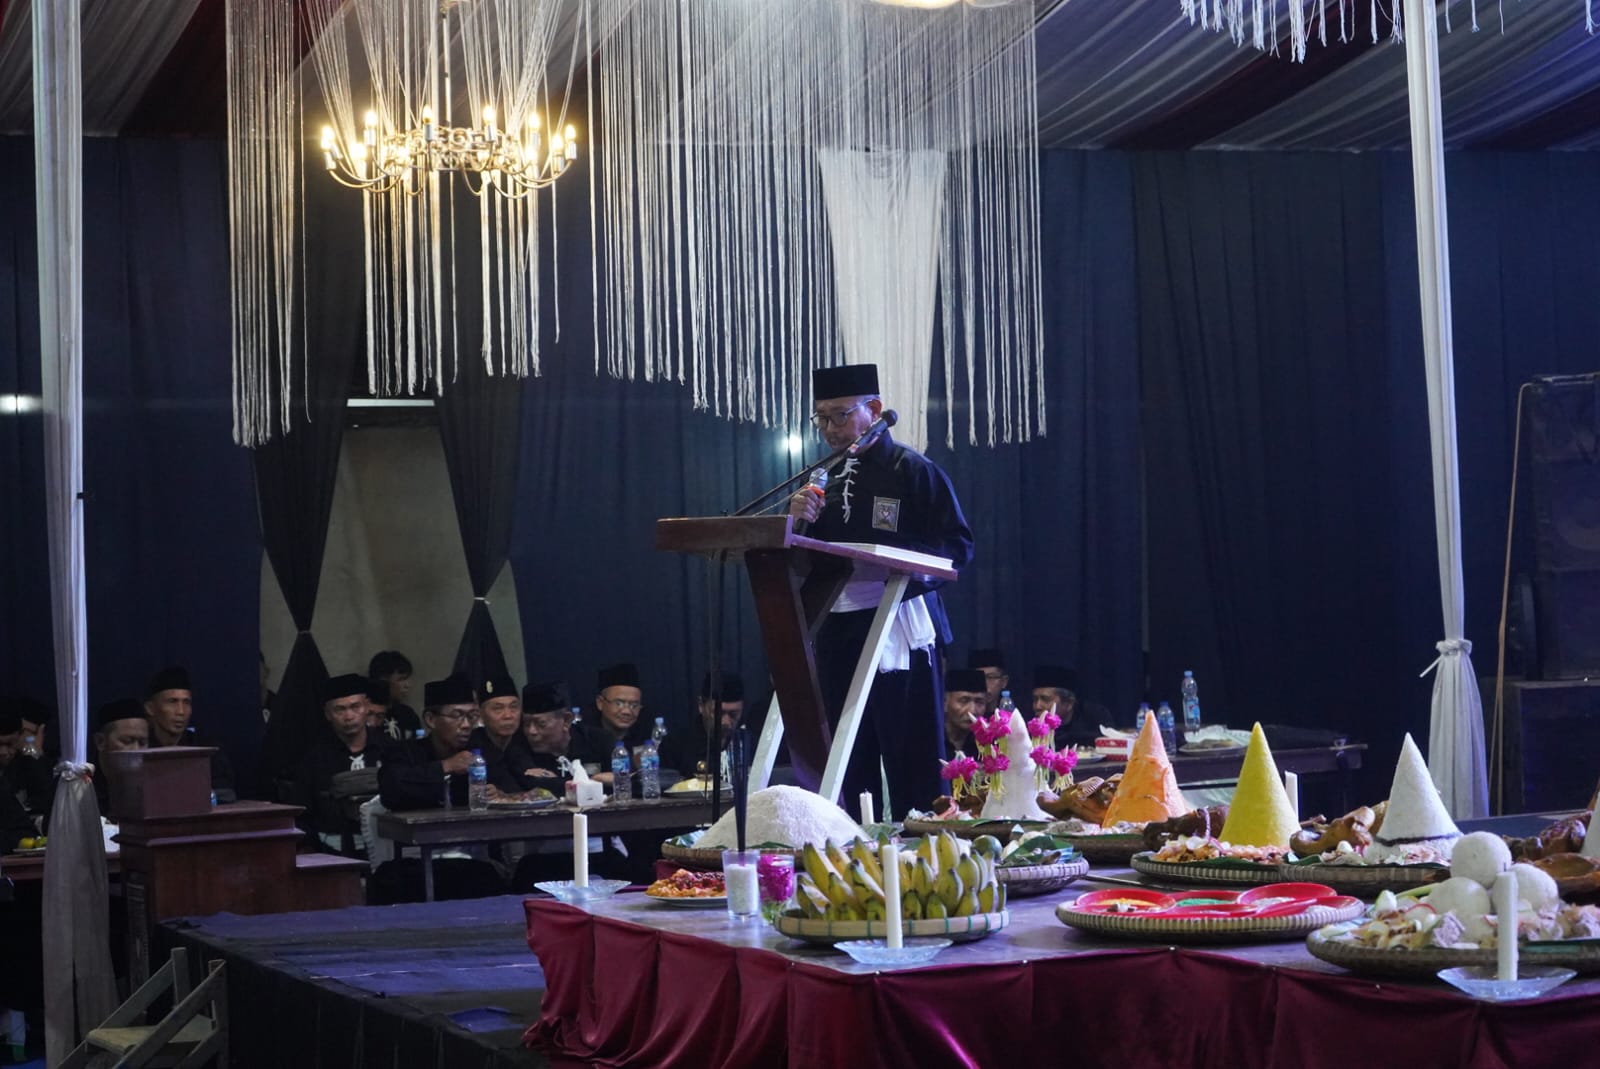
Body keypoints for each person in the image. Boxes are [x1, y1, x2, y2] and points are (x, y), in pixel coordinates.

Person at [789, 363, 974, 821]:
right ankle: (854, 850)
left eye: (840, 415)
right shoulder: (819, 478)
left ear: (873, 409)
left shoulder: (912, 470)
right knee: (849, 755)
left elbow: (957, 546)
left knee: (913, 754)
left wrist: (901, 567)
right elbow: (803, 558)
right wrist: (794, 522)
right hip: (836, 622)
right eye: (821, 418)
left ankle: (927, 851)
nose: (830, 429)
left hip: (898, 622)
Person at [295, 674, 382, 851]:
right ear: (328, 714)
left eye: (355, 707)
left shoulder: (389, 750)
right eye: (339, 710)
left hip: (384, 842)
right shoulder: (314, 759)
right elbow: (302, 812)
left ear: (367, 707)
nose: (349, 716)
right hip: (330, 848)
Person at [377, 675, 477, 810]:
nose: (466, 725)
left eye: (471, 716)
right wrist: (445, 766)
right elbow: (390, 791)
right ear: (431, 720)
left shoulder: (477, 751)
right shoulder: (404, 752)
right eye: (456, 715)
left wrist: (493, 793)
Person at [142, 665, 237, 801]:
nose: (181, 711)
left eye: (186, 702)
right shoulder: (140, 747)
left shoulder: (205, 748)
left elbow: (226, 793)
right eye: (172, 702)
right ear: (150, 708)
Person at [566, 663, 652, 788]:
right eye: (619, 703)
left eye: (634, 705)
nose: (627, 711)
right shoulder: (582, 736)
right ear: (600, 703)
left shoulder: (647, 732)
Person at [660, 671, 745, 779]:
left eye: (734, 714)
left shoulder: (750, 745)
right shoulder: (674, 747)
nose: (726, 722)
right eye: (718, 713)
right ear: (701, 705)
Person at [468, 673, 540, 795]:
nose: (508, 715)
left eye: (514, 707)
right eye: (498, 709)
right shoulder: (473, 747)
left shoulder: (525, 740)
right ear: (480, 715)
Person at [90, 698, 150, 819]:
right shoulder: (83, 789)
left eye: (142, 743)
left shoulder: (153, 789)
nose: (136, 750)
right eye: (127, 741)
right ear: (100, 741)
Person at [0, 702, 53, 817]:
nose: (3, 752)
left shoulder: (29, 763)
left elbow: (45, 804)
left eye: (9, 744)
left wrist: (34, 753)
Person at [1032, 665, 1100, 747]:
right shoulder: (1030, 724)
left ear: (1069, 703)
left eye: (1046, 699)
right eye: (1035, 699)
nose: (1037, 706)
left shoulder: (1094, 717)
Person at [520, 682, 575, 782]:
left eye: (541, 724)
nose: (531, 731)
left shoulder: (596, 742)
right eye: (526, 724)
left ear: (566, 721)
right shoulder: (519, 750)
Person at [368, 650, 422, 737]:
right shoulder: (367, 716)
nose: (407, 685)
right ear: (383, 680)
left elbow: (420, 737)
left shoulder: (409, 715)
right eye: (401, 679)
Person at [942, 668, 988, 757]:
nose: (972, 711)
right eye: (964, 701)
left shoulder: (987, 745)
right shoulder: (931, 741)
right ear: (945, 703)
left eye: (979, 702)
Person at [967, 648, 1009, 718]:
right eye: (979, 678)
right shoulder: (965, 717)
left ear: (1004, 682)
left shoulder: (1010, 718)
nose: (985, 684)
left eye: (991, 677)